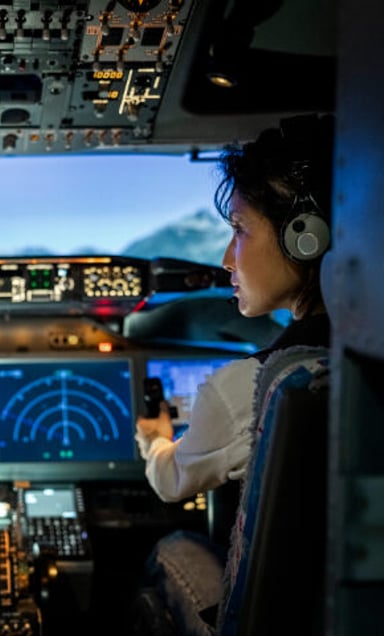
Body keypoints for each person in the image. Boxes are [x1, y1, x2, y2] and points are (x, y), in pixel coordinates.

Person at [129, 112, 334, 636]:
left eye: (239, 230)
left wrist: (155, 440)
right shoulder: (353, 359)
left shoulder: (261, 384)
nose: (226, 258)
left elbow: (173, 481)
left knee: (174, 547)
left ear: (304, 238)